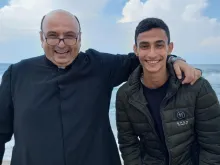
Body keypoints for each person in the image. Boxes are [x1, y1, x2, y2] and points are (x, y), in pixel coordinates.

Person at [0, 10, 202, 165]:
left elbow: (146, 58)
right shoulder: (17, 74)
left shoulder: (99, 66)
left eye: (69, 36)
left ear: (80, 37)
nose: (61, 44)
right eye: (53, 36)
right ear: (41, 38)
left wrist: (175, 59)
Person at [116, 17, 220, 165]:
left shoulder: (197, 87)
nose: (152, 54)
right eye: (145, 46)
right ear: (136, 50)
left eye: (159, 45)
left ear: (169, 48)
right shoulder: (125, 95)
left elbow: (213, 145)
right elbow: (128, 145)